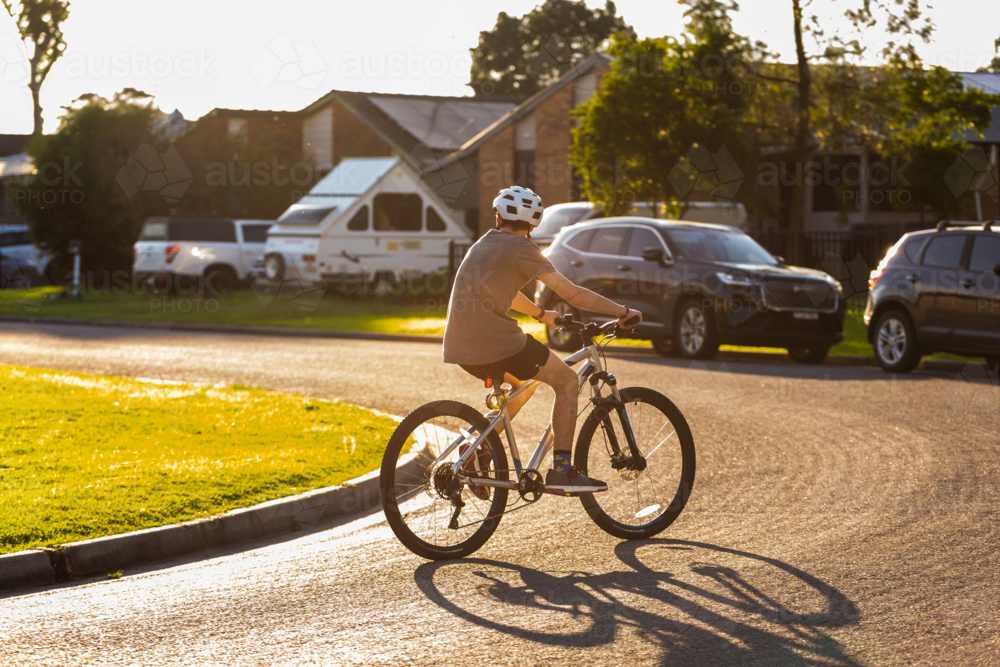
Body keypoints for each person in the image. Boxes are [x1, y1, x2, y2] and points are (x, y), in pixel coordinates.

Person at [443, 186, 642, 495]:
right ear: (533, 225)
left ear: (497, 216)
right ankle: (562, 471)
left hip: (461, 345)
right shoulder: (522, 248)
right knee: (566, 382)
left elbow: (498, 291)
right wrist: (623, 311)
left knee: (523, 386)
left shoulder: (482, 245)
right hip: (496, 341)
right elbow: (573, 294)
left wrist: (539, 312)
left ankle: (473, 450)